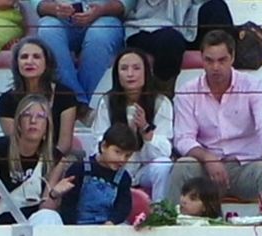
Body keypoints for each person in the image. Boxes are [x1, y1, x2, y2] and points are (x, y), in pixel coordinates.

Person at [168, 29, 262, 205]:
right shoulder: (187, 91)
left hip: (245, 166)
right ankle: (171, 220)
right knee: (182, 167)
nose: (215, 67)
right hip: (206, 170)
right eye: (209, 60)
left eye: (222, 60)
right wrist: (208, 158)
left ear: (232, 57)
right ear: (202, 59)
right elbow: (183, 138)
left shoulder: (253, 86)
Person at [87, 46, 171, 196]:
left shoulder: (161, 103)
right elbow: (99, 143)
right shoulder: (107, 102)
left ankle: (159, 207)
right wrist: (122, 140)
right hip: (115, 167)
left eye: (136, 68)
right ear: (117, 74)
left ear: (146, 72)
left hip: (144, 168)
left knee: (163, 165)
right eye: (124, 68)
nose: (130, 74)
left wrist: (145, 130)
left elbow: (165, 151)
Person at [0, 94, 69, 225]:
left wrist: (54, 194)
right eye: (26, 115)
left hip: (32, 223)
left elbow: (45, 210)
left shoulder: (55, 157)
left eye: (40, 116)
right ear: (18, 124)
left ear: (47, 126)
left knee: (50, 216)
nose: (33, 121)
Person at [123, 0, 232, 92]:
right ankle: (162, 96)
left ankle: (229, 82)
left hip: (187, 24)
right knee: (170, 41)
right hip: (149, 25)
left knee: (217, 7)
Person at [0, 37, 79, 154]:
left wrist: (47, 162)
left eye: (36, 57)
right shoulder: (5, 101)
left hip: (57, 159)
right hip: (21, 159)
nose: (29, 62)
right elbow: (15, 143)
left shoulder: (65, 95)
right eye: (24, 57)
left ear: (47, 63)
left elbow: (64, 145)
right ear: (16, 63)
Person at [32, 0, 122, 104]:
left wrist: (102, 10)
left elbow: (124, 4)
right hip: (59, 17)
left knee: (100, 36)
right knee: (48, 30)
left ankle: (90, 104)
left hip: (104, 16)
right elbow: (39, 4)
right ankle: (75, 101)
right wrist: (56, 9)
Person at [57, 122, 136, 224]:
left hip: (108, 227)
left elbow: (123, 206)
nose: (122, 159)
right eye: (117, 152)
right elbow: (68, 204)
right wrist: (73, 228)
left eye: (127, 155)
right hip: (78, 226)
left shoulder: (124, 178)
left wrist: (112, 221)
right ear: (103, 146)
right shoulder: (79, 169)